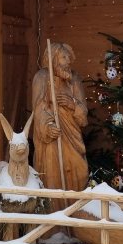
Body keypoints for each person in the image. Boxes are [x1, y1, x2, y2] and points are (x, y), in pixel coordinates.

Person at [31, 42, 89, 193]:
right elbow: (39, 108)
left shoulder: (74, 79)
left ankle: (75, 209)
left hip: (72, 137)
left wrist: (73, 104)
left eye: (68, 57)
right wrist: (48, 126)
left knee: (79, 171)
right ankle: (54, 212)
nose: (68, 60)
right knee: (52, 175)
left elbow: (83, 113)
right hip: (52, 139)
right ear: (53, 59)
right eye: (64, 57)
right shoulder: (42, 78)